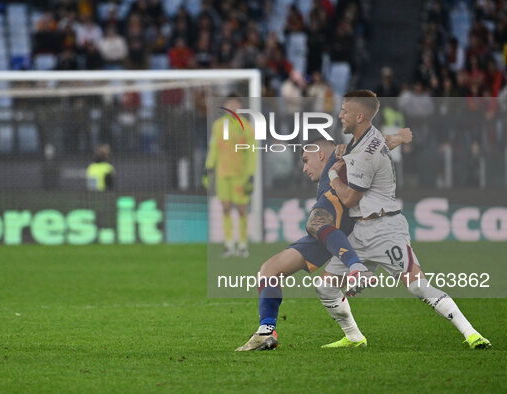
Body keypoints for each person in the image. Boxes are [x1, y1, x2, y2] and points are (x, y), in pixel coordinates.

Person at [316, 90, 491, 349]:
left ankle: (472, 334)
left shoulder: (365, 153)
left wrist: (332, 173)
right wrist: (398, 138)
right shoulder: (366, 138)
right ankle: (354, 337)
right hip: (361, 232)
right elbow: (384, 141)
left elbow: (350, 198)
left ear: (360, 115)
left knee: (418, 286)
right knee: (325, 285)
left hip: (385, 229)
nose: (340, 115)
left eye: (344, 111)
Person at [236, 130, 412, 351]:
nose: (303, 168)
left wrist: (399, 137)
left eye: (305, 160)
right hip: (330, 233)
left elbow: (373, 145)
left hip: (352, 225)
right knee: (268, 270)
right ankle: (266, 331)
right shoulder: (326, 178)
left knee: (315, 223)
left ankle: (356, 267)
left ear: (320, 154)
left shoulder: (338, 157)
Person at [204, 96, 256, 258]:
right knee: (225, 208)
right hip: (222, 174)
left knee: (241, 209)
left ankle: (242, 244)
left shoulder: (246, 126)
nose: (232, 106)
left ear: (239, 106)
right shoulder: (218, 126)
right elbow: (213, 148)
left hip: (240, 174)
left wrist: (251, 173)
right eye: (229, 104)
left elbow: (252, 151)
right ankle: (228, 244)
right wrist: (208, 168)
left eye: (235, 103)